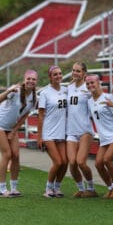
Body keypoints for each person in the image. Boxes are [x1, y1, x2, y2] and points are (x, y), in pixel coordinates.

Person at [0, 69, 38, 197]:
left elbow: (23, 117)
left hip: (11, 128)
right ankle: (2, 189)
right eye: (29, 79)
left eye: (34, 79)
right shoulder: (15, 90)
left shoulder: (33, 97)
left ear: (36, 81)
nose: (31, 81)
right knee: (7, 154)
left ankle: (14, 188)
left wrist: (13, 131)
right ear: (24, 80)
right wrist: (9, 91)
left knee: (16, 156)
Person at [86, 74, 113, 199]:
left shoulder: (108, 97)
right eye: (88, 83)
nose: (90, 85)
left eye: (92, 82)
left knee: (106, 160)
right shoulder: (89, 101)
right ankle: (110, 188)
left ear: (99, 83)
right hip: (104, 136)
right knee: (98, 163)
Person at [66, 62, 97, 198]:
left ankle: (91, 188)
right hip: (71, 130)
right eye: (73, 70)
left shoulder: (88, 88)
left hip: (85, 130)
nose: (75, 73)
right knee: (72, 163)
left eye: (78, 71)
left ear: (84, 73)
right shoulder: (69, 87)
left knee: (81, 162)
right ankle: (80, 188)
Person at [37, 65, 68, 198]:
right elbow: (40, 115)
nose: (58, 76)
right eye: (55, 74)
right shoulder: (45, 92)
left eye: (60, 74)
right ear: (50, 77)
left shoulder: (66, 90)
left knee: (65, 161)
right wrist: (39, 137)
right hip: (48, 132)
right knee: (58, 162)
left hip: (62, 132)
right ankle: (48, 188)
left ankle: (57, 187)